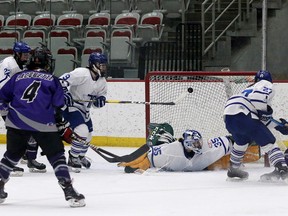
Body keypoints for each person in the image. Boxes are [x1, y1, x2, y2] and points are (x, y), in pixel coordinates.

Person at [0, 47, 85, 207]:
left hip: (16, 123)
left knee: (11, 155)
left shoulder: (17, 77)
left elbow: (1, 98)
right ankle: (69, 191)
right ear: (47, 62)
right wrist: (62, 126)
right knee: (57, 156)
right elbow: (58, 105)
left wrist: (8, 115)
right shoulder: (52, 80)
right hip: (43, 124)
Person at [223, 70, 288, 181]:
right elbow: (262, 117)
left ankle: (233, 169)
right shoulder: (266, 85)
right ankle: (282, 167)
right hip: (244, 114)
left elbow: (260, 118)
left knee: (241, 141)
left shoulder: (248, 89)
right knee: (269, 142)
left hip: (229, 116)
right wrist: (280, 126)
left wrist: (277, 125)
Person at [117, 123, 260, 173]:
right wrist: (137, 165)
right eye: (196, 143)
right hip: (167, 149)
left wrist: (250, 138)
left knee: (221, 162)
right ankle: (163, 133)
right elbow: (149, 155)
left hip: (201, 165)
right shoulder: (171, 151)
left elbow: (230, 140)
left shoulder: (208, 147)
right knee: (160, 142)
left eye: (199, 142)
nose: (199, 145)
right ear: (187, 143)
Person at [0, 41, 46, 175]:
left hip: (12, 101)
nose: (26, 57)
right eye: (24, 54)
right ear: (16, 53)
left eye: (27, 54)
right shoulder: (9, 63)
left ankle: (30, 159)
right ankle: (8, 163)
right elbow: (2, 83)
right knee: (15, 131)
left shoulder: (20, 65)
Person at [58, 52, 108, 172]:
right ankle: (73, 158)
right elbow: (61, 81)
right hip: (72, 107)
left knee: (89, 135)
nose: (104, 68)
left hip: (85, 110)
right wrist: (64, 92)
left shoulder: (102, 81)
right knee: (82, 131)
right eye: (101, 65)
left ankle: (80, 156)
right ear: (94, 65)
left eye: (105, 66)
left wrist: (100, 101)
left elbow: (101, 96)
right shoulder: (81, 73)